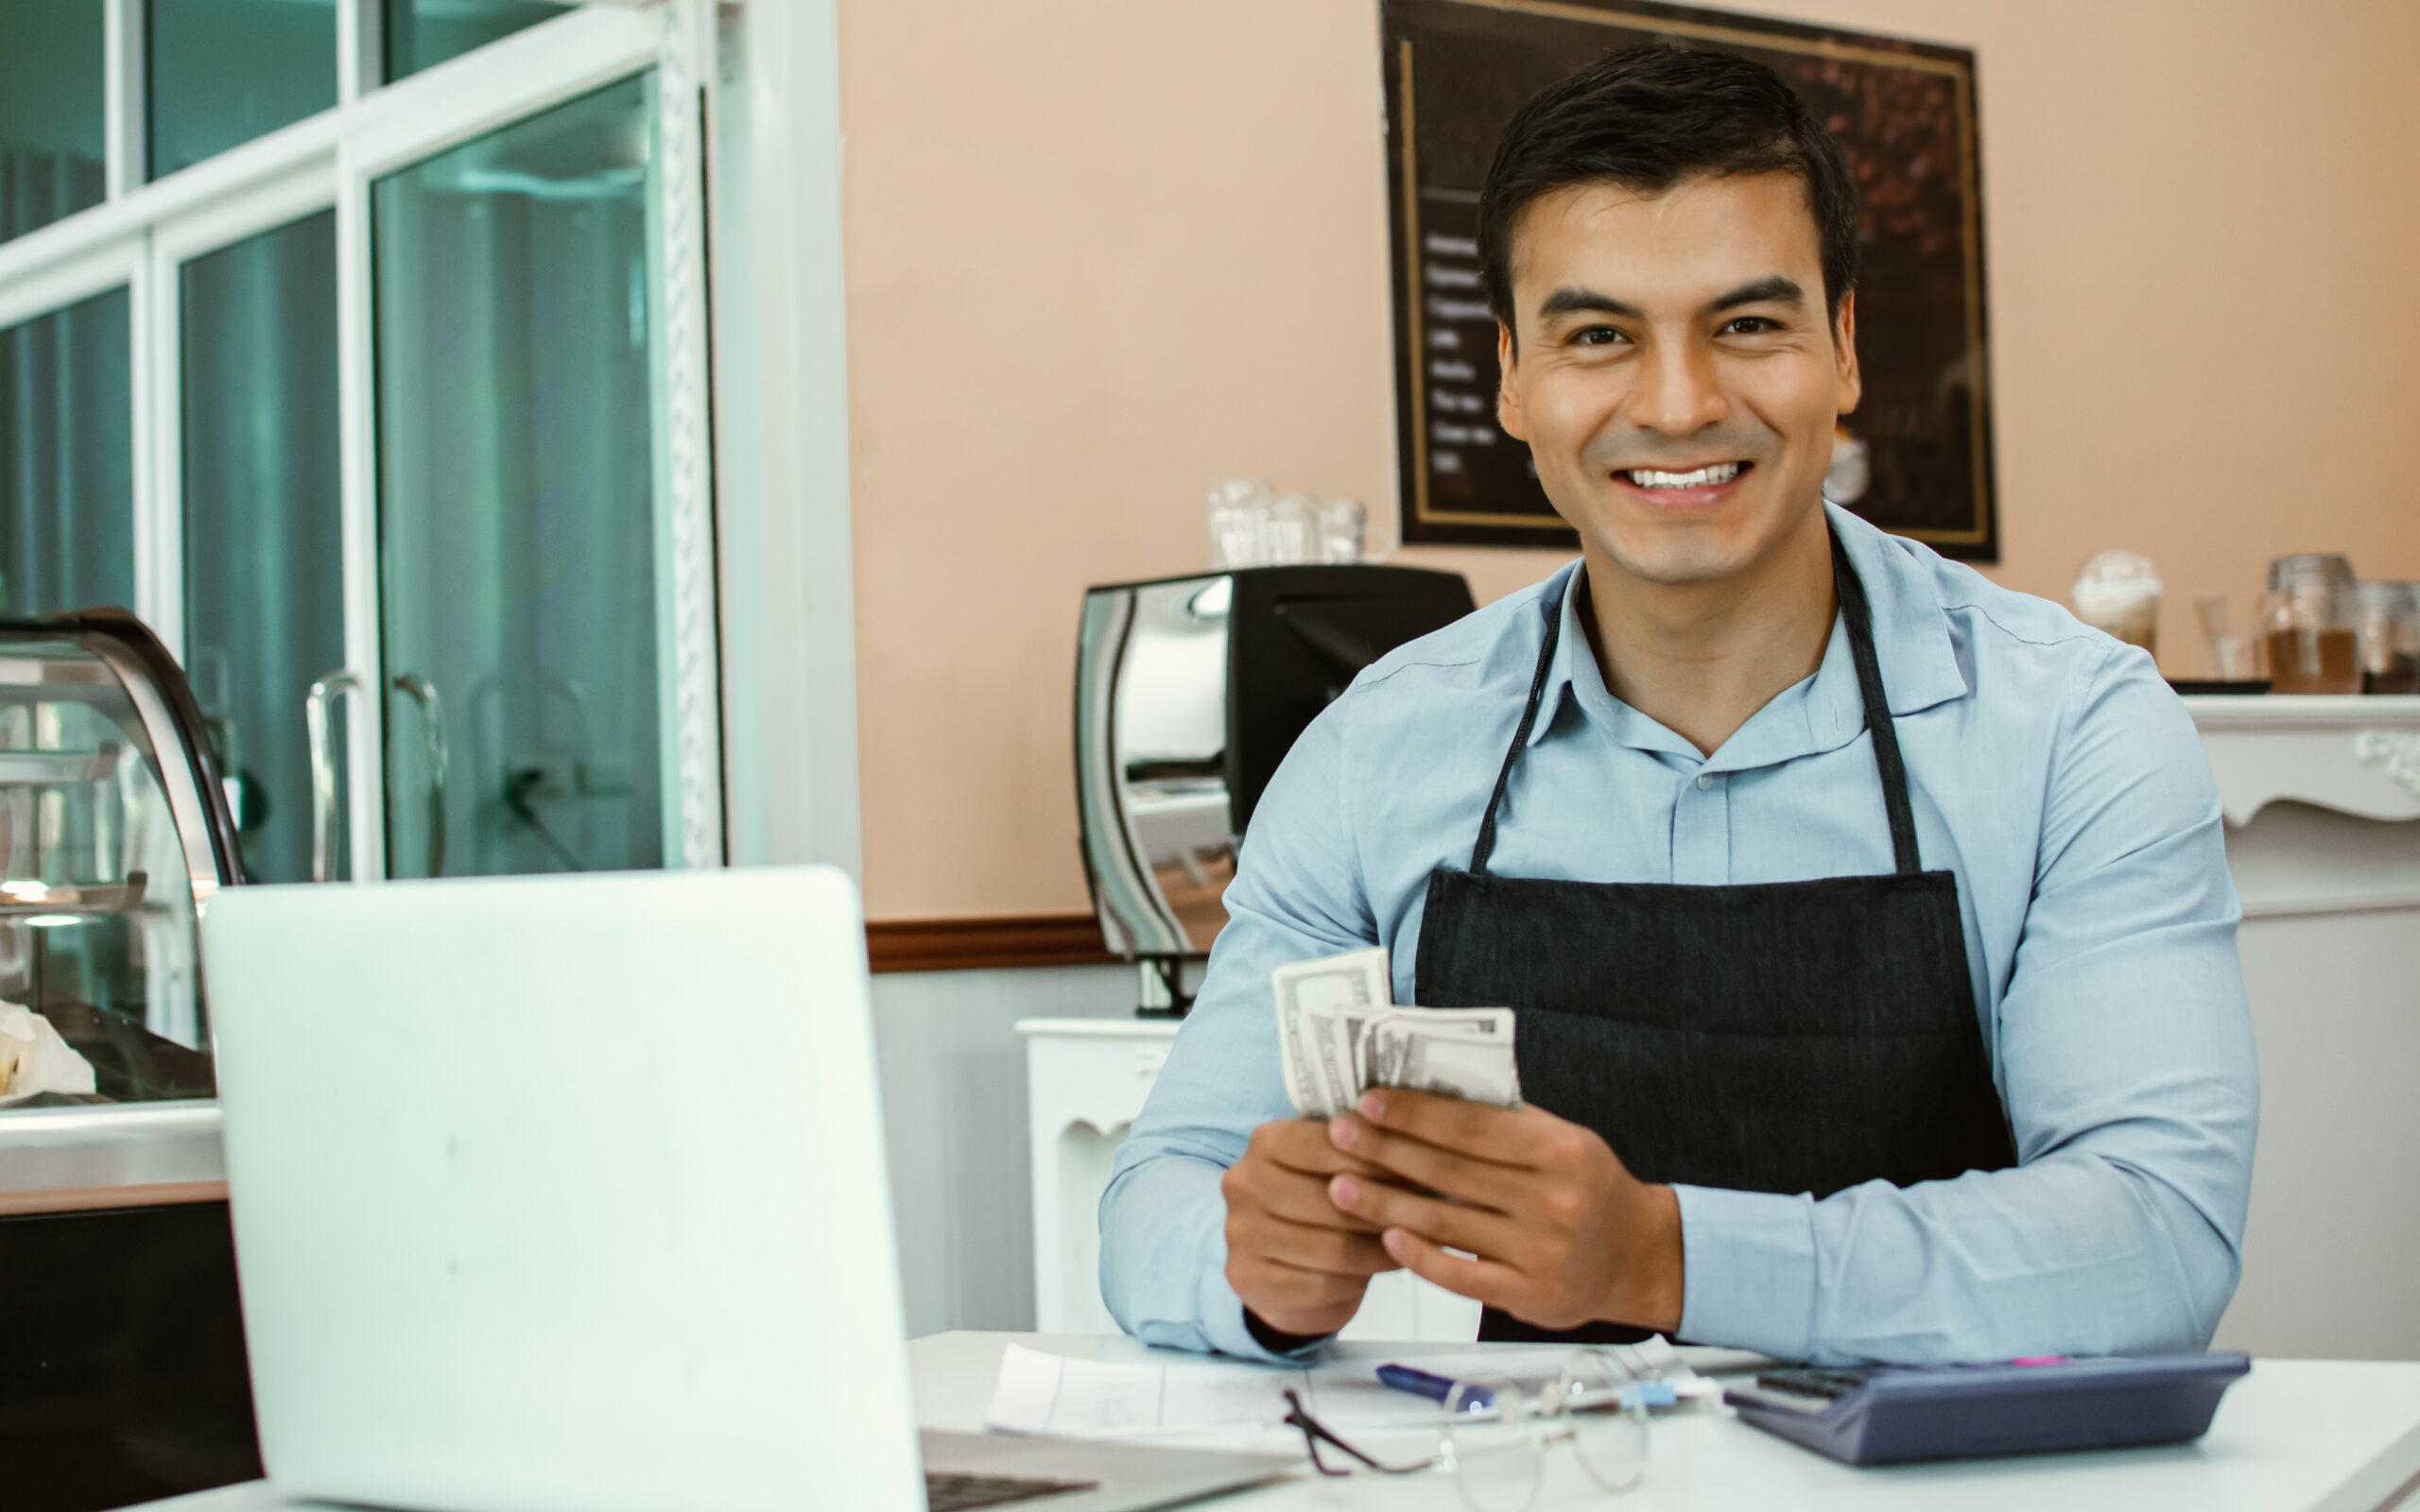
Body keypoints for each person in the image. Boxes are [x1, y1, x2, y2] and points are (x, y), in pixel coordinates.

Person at [1099, 43, 2259, 1366]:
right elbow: (1158, 1199)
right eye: (1599, 337)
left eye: (1748, 326)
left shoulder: (2076, 734)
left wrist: (1667, 1257)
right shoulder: (1375, 752)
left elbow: (2156, 1240)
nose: (1679, 404)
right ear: (1514, 384)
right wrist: (1255, 1269)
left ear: (1845, 350)